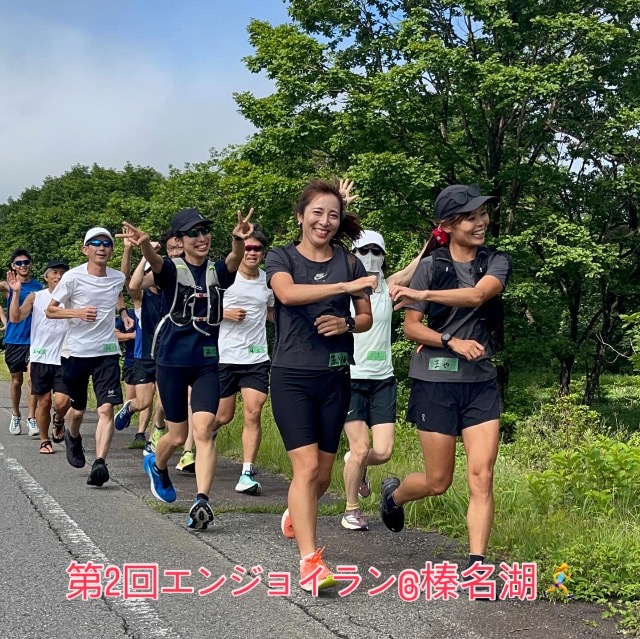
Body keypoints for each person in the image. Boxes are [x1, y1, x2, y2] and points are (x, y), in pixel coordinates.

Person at [379, 183, 512, 584]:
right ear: (448, 225)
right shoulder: (431, 265)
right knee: (438, 481)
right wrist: (451, 340)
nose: (481, 222)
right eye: (470, 217)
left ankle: (476, 565)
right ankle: (394, 496)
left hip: (480, 383)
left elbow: (477, 296)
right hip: (435, 382)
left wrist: (423, 292)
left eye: (483, 214)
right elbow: (411, 328)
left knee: (482, 476)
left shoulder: (495, 261)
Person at [265, 179, 375, 592]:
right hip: (292, 376)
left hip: (335, 376)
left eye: (333, 215)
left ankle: (297, 512)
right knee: (307, 468)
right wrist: (344, 288)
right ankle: (310, 562)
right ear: (300, 217)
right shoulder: (281, 257)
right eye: (317, 213)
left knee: (323, 476)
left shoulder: (349, 261)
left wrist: (346, 322)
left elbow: (365, 318)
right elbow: (288, 294)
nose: (324, 222)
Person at [120, 207, 254, 530]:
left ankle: (202, 500)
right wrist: (145, 245)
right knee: (178, 435)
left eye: (205, 230)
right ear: (180, 239)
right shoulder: (171, 269)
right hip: (171, 364)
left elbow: (234, 260)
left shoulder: (217, 271)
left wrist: (238, 239)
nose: (202, 237)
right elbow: (154, 263)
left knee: (203, 430)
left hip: (206, 364)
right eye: (193, 233)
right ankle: (157, 464)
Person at [342, 227, 425, 531]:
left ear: (383, 256)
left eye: (376, 251)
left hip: (383, 380)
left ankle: (356, 463)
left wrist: (441, 232)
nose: (370, 256)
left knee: (383, 451)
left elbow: (419, 262)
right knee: (361, 448)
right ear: (353, 255)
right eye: (364, 251)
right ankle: (351, 510)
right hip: (350, 378)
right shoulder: (344, 291)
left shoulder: (390, 287)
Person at [46, 227, 133, 486]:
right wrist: (78, 313)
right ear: (86, 249)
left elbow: (119, 287)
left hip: (106, 352)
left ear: (111, 250)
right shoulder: (72, 278)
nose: (102, 247)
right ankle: (72, 436)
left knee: (106, 408)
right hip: (76, 352)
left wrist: (124, 312)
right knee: (78, 410)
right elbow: (51, 311)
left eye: (107, 244)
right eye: (96, 243)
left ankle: (100, 463)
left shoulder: (116, 277)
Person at [212, 225, 274, 494]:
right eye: (247, 247)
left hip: (256, 356)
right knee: (223, 415)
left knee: (254, 411)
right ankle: (200, 438)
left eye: (257, 248)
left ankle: (247, 472)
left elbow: (271, 312)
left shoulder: (268, 281)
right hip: (225, 355)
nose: (251, 252)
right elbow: (203, 309)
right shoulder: (225, 277)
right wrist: (225, 314)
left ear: (263, 253)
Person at [7, 260, 71, 453]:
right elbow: (15, 318)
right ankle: (45, 441)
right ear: (46, 276)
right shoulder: (36, 296)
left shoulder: (73, 297)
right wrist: (16, 293)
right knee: (44, 402)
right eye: (55, 272)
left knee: (63, 402)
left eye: (63, 273)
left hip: (65, 356)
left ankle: (58, 420)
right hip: (41, 357)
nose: (59, 276)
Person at [0, 249, 44, 436]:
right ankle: (16, 414)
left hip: (34, 339)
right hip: (14, 339)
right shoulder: (8, 285)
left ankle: (32, 418)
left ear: (31, 264)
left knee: (32, 379)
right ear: (13, 266)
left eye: (26, 262)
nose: (23, 265)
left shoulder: (39, 287)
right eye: (19, 263)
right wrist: (4, 320)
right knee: (16, 380)